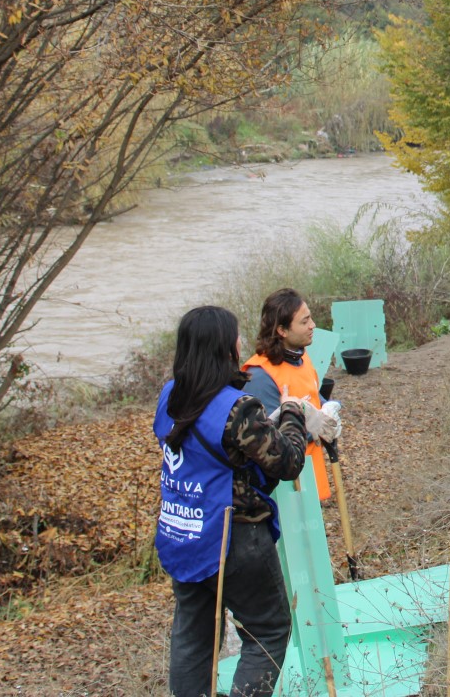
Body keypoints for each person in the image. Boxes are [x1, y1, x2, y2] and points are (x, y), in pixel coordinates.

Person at [153, 305, 312, 697]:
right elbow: (288, 461)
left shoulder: (170, 397)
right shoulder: (236, 410)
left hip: (182, 531)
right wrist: (293, 412)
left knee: (194, 637)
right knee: (268, 630)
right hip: (233, 537)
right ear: (225, 348)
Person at [241, 289, 342, 500]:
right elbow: (265, 439)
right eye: (305, 322)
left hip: (308, 474)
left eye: (310, 318)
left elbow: (311, 394)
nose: (313, 325)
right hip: (283, 488)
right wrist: (311, 427)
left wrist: (327, 409)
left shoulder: (302, 358)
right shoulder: (259, 376)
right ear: (282, 330)